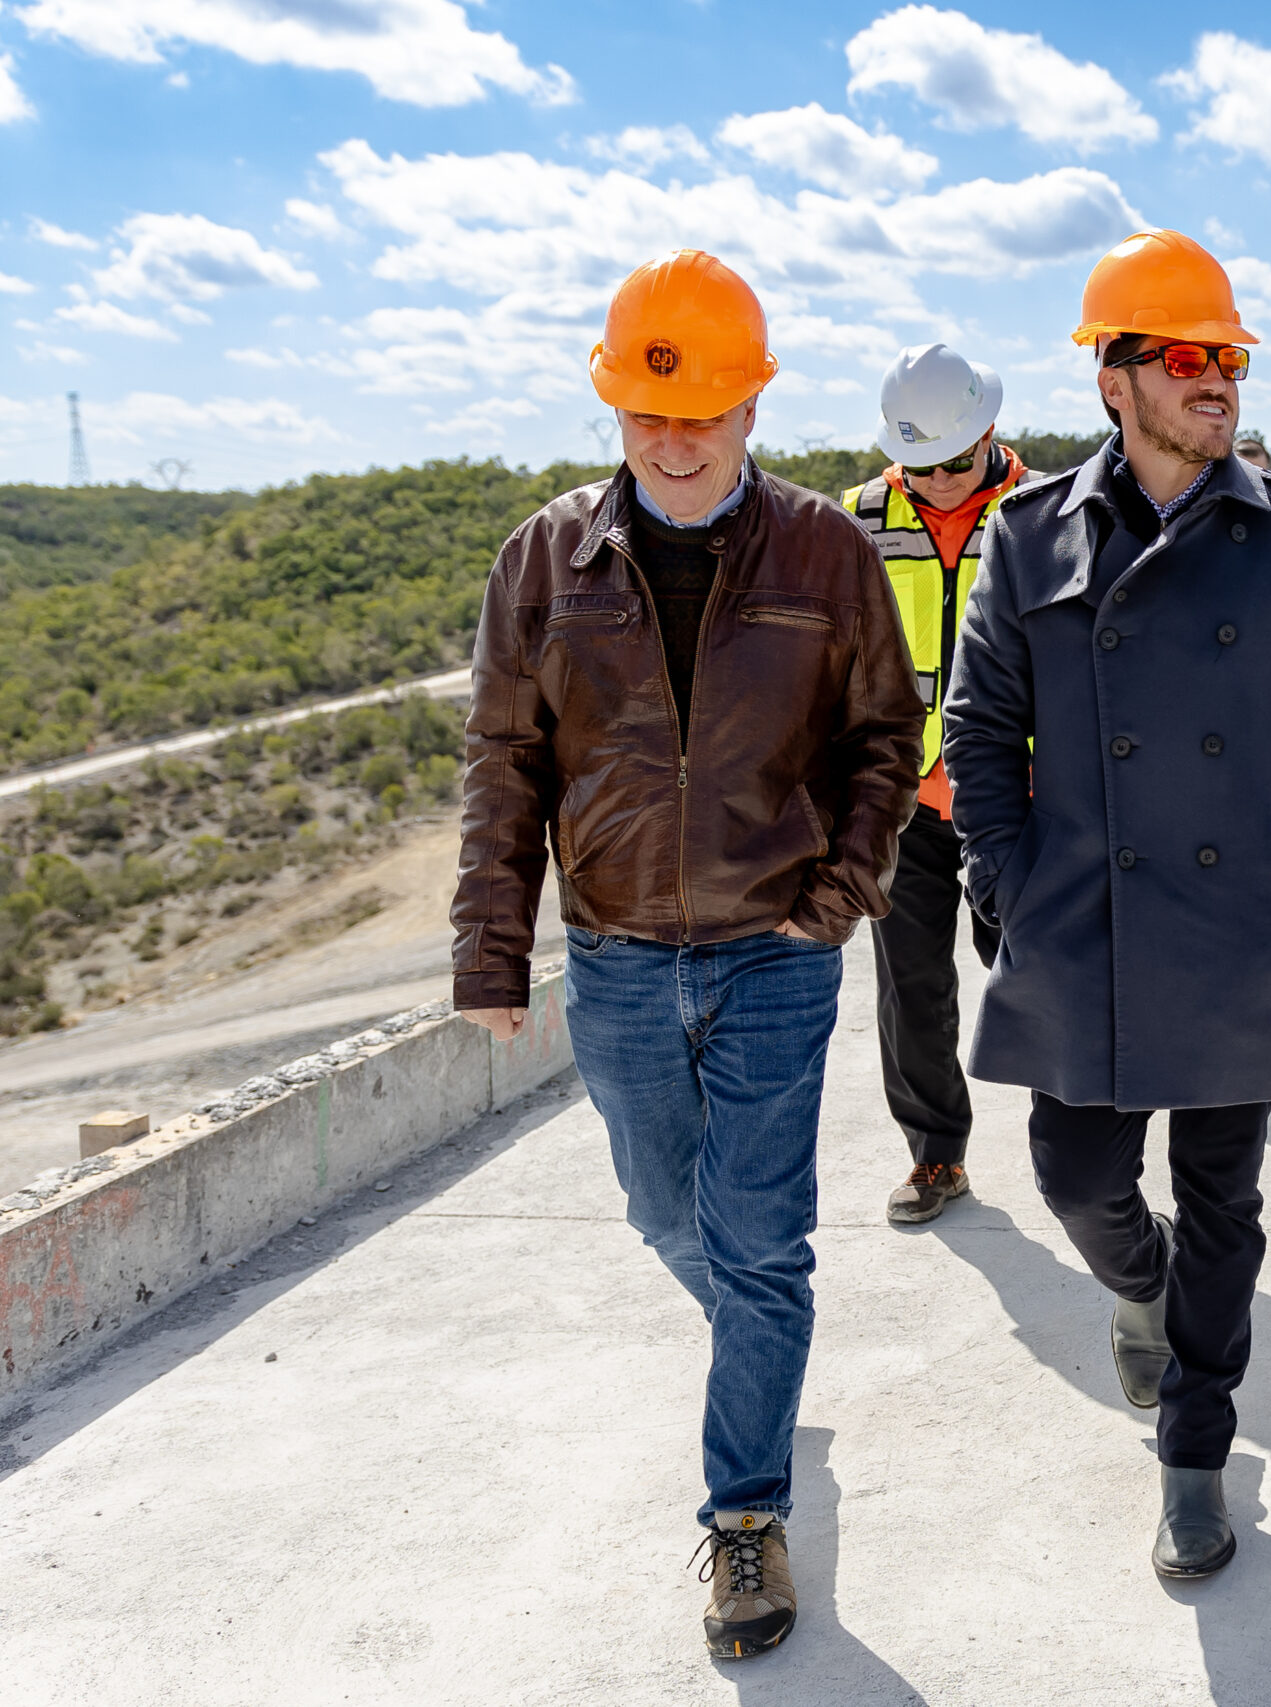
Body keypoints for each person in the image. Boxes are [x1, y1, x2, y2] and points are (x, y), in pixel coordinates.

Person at [451, 250, 925, 1658]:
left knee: (763, 1246)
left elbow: (885, 738)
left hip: (775, 953)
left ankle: (745, 1515)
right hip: (612, 958)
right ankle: (760, 1367)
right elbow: (502, 759)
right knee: (669, 1216)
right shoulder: (543, 558)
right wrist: (491, 948)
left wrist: (839, 894)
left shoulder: (824, 552)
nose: (674, 435)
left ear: (749, 406)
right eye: (650, 411)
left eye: (703, 409)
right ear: (614, 404)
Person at [941, 230, 1271, 1579]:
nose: (1219, 384)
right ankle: (1134, 1289)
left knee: (1226, 1200)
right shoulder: (1025, 541)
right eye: (1189, 359)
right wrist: (1009, 883)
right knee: (1075, 1174)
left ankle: (1194, 1453)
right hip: (1082, 920)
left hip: (1249, 919)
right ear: (1113, 382)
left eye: (1230, 360)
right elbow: (979, 731)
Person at [844, 344, 1035, 1225]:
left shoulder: (1047, 514)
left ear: (991, 432)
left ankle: (1074, 1138)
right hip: (903, 799)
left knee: (1036, 976)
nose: (945, 481)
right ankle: (935, 1156)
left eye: (959, 460)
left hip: (1023, 796)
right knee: (911, 986)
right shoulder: (858, 524)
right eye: (922, 465)